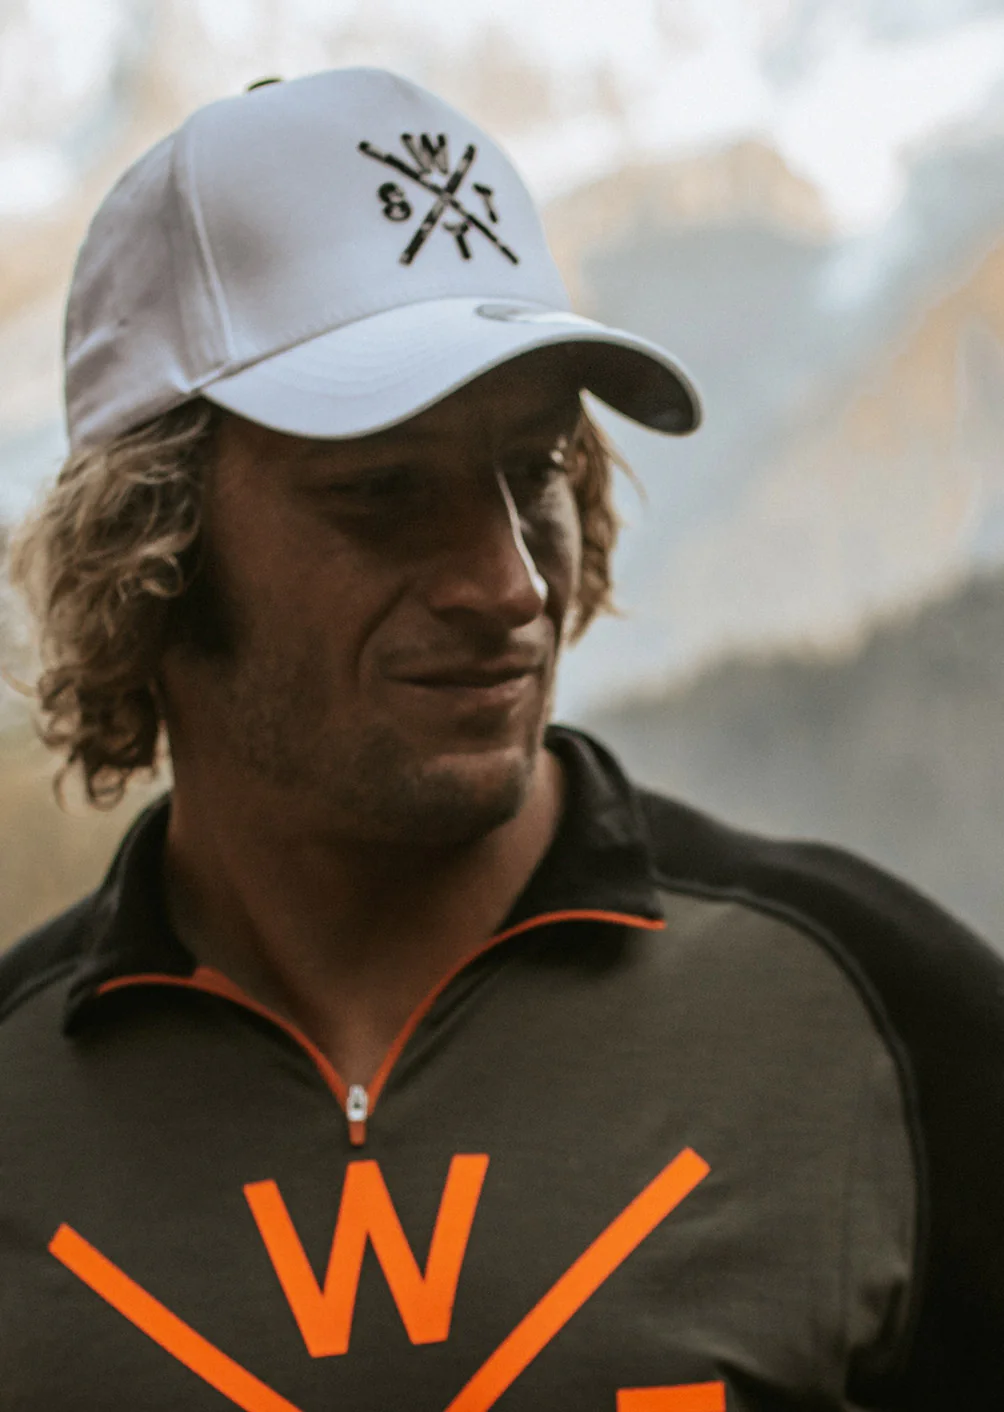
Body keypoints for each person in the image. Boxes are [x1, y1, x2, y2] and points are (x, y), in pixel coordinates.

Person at [1, 67, 1001, 1412]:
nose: (510, 584)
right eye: (381, 491)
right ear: (150, 553)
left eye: (533, 470)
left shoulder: (874, 1020)